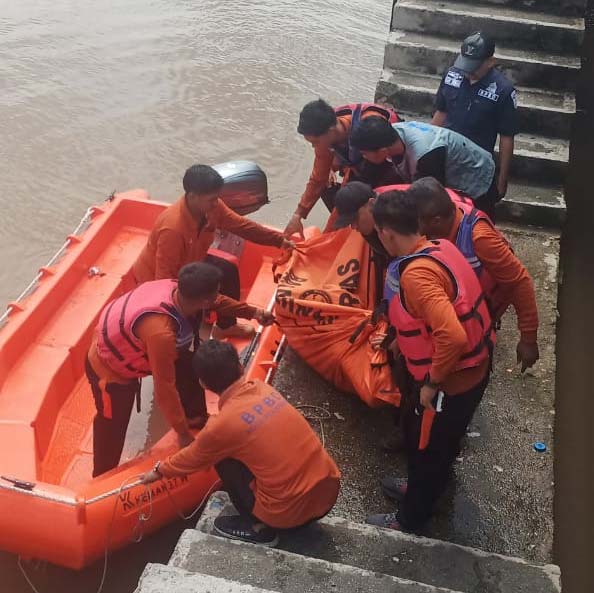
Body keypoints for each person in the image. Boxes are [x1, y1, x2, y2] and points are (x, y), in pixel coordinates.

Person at [366, 190, 493, 532]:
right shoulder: (442, 247)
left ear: (385, 233)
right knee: (440, 446)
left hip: (450, 383)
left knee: (426, 451)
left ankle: (410, 519)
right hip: (474, 372)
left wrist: (433, 382)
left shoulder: (416, 275)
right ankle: (423, 489)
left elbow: (452, 336)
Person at [141, 340, 341, 546]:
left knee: (222, 459)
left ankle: (259, 527)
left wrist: (158, 471)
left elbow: (192, 458)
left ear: (202, 383)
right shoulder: (262, 389)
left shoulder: (221, 426)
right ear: (239, 366)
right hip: (328, 495)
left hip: (288, 516)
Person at [86, 262, 273, 477]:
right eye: (214, 294)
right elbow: (164, 387)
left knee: (191, 361)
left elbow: (216, 301)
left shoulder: (177, 288)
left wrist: (253, 312)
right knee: (112, 426)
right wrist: (182, 435)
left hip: (141, 344)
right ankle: (101, 476)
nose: (216, 297)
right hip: (110, 372)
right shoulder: (161, 333)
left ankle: (195, 419)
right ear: (203, 301)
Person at [133, 164, 294, 338]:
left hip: (192, 262)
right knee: (189, 320)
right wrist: (252, 312)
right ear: (193, 196)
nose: (216, 203)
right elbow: (164, 282)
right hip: (161, 280)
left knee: (227, 269)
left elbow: (242, 226)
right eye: (211, 199)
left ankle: (226, 326)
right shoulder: (172, 230)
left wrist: (279, 240)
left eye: (217, 198)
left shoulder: (212, 208)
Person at [412, 177, 539, 371]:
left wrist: (528, 339)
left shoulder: (479, 238)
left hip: (480, 312)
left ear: (435, 221)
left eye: (415, 221)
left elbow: (519, 282)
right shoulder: (438, 218)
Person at [284, 99, 401, 238]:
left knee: (360, 204)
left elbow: (364, 178)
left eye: (315, 142)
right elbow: (318, 178)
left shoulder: (368, 126)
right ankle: (338, 235)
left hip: (389, 165)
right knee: (330, 191)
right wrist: (298, 215)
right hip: (361, 166)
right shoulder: (326, 134)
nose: (314, 147)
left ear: (331, 131)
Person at [350, 117, 500, 218]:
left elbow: (432, 200)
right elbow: (369, 179)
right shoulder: (387, 136)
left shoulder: (425, 155)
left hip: (476, 174)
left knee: (477, 223)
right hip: (446, 167)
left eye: (364, 153)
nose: (363, 157)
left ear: (382, 151)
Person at [432, 32, 518, 201]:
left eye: (474, 67)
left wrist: (501, 179)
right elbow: (441, 113)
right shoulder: (451, 76)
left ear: (491, 62)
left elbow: (507, 138)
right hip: (446, 155)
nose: (468, 72)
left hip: (477, 163)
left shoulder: (503, 91)